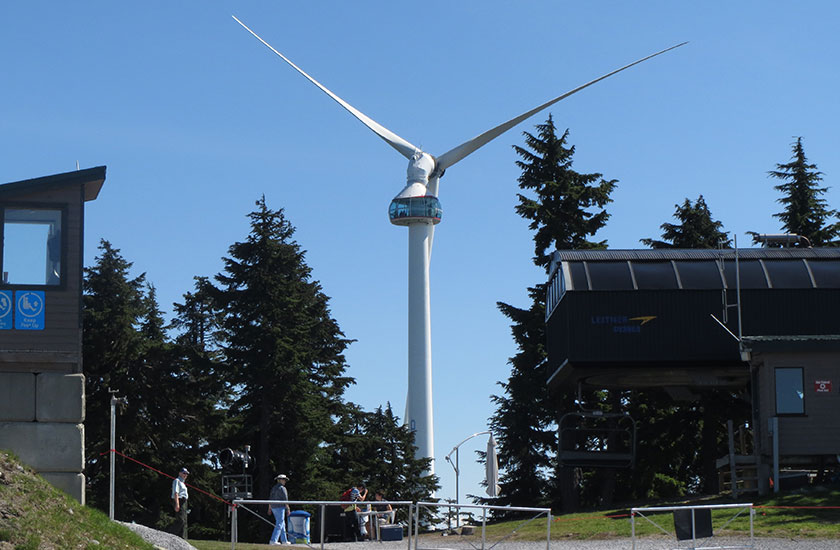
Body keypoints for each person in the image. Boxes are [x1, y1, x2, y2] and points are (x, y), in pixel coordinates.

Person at [268, 474, 291, 545]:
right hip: (280, 507)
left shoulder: (274, 488)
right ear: (280, 480)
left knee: (282, 523)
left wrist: (269, 508)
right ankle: (273, 540)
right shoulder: (282, 488)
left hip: (273, 507)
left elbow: (270, 498)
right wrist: (288, 509)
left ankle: (284, 540)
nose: (285, 481)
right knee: (279, 523)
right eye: (284, 480)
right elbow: (285, 499)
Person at [171, 467, 190, 539]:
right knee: (180, 520)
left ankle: (183, 538)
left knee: (184, 521)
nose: (186, 475)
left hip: (184, 501)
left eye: (187, 474)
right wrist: (177, 504)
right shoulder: (177, 481)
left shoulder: (183, 483)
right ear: (180, 473)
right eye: (184, 473)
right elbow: (176, 492)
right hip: (179, 500)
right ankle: (171, 535)